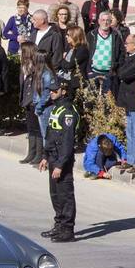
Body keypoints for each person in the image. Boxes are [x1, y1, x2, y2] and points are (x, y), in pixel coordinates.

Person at [37, 78, 79, 243]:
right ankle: (59, 225)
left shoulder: (68, 111)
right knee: (55, 193)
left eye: (55, 90)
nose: (52, 92)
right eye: (51, 90)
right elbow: (51, 135)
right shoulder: (56, 108)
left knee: (65, 194)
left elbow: (67, 141)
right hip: (53, 156)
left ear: (64, 91)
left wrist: (60, 165)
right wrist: (45, 157)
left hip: (63, 159)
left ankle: (68, 230)